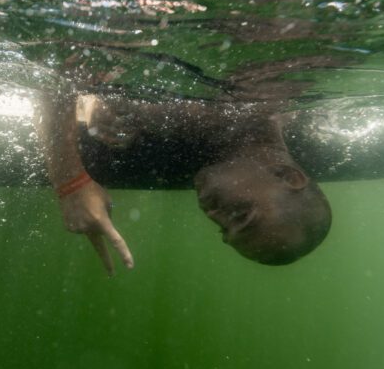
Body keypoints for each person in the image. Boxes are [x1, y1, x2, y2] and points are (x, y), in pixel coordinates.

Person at [36, 89, 332, 274]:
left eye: (222, 228)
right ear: (287, 176)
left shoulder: (241, 133)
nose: (212, 214)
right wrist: (70, 182)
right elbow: (57, 73)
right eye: (241, 215)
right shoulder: (220, 107)